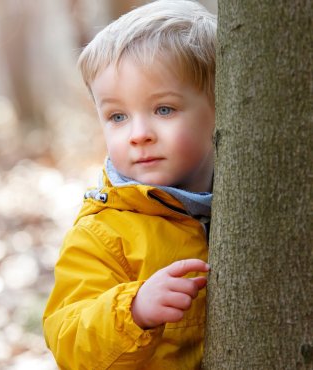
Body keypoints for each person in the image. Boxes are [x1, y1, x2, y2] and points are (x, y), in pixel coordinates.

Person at [43, 1, 216, 368]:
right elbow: (68, 339)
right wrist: (134, 310)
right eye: (117, 116)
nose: (139, 135)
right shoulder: (103, 232)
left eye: (163, 109)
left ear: (220, 107)